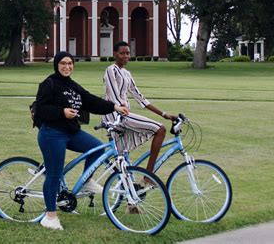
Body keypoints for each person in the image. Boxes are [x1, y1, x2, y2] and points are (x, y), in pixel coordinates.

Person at [34, 51, 129, 231]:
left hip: (71, 132)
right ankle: (50, 217)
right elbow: (41, 110)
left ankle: (87, 180)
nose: (67, 66)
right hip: (52, 133)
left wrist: (115, 107)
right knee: (54, 174)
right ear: (56, 65)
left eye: (70, 63)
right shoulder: (49, 83)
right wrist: (62, 112)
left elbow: (91, 101)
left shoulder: (73, 86)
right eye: (63, 63)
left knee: (98, 148)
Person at [103, 41, 176, 174]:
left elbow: (140, 98)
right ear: (115, 54)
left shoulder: (126, 73)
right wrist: (122, 108)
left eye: (128, 53)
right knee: (160, 130)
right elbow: (114, 96)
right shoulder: (111, 70)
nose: (126, 56)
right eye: (122, 53)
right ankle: (149, 175)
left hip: (124, 114)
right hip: (116, 116)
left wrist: (164, 114)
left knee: (122, 159)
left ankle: (125, 183)